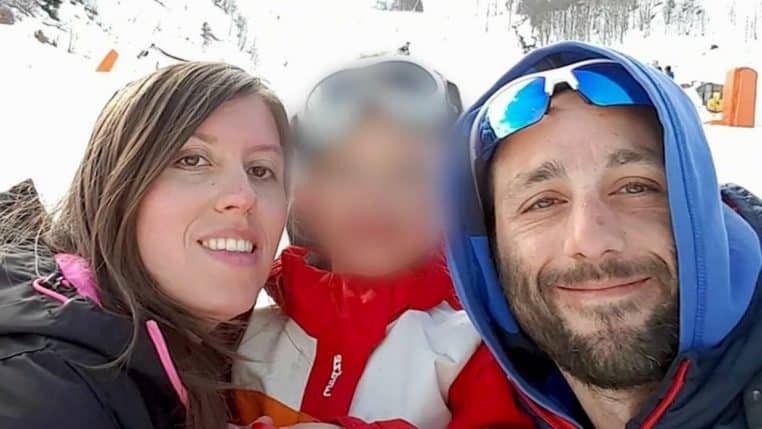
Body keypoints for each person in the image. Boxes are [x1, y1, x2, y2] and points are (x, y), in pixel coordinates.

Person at [445, 41, 762, 428]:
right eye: (543, 203)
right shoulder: (457, 402)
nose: (592, 243)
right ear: (490, 251)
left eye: (635, 187)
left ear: (701, 208)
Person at [231, 56, 534, 428]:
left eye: (409, 173)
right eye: (345, 172)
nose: (374, 196)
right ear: (306, 197)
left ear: (451, 199)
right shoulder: (242, 332)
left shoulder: (470, 346)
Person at [0, 62, 290, 429]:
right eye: (192, 160)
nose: (244, 196)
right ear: (115, 185)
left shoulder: (225, 359)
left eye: (261, 170)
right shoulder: (44, 390)